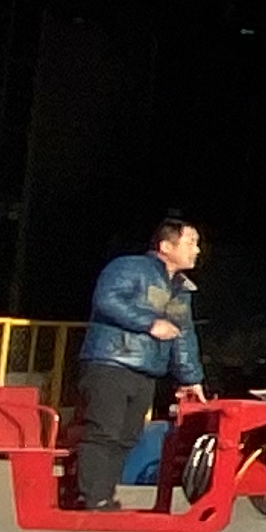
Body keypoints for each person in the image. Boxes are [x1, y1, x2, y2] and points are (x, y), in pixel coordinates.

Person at [75, 213, 205, 509]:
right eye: (191, 242)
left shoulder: (180, 289)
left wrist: (191, 378)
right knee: (104, 429)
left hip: (146, 369)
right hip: (111, 362)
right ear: (166, 246)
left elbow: (183, 334)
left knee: (128, 434)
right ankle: (92, 496)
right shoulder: (129, 267)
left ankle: (103, 494)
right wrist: (149, 323)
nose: (196, 250)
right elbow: (107, 300)